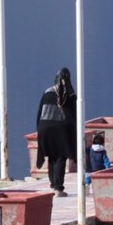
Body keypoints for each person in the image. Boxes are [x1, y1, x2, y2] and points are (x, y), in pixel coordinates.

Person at [36, 67, 77, 197]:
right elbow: (75, 115)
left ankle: (53, 184)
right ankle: (58, 188)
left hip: (45, 127)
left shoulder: (47, 92)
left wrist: (39, 130)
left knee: (52, 156)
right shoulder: (70, 94)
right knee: (60, 157)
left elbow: (39, 113)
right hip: (62, 129)